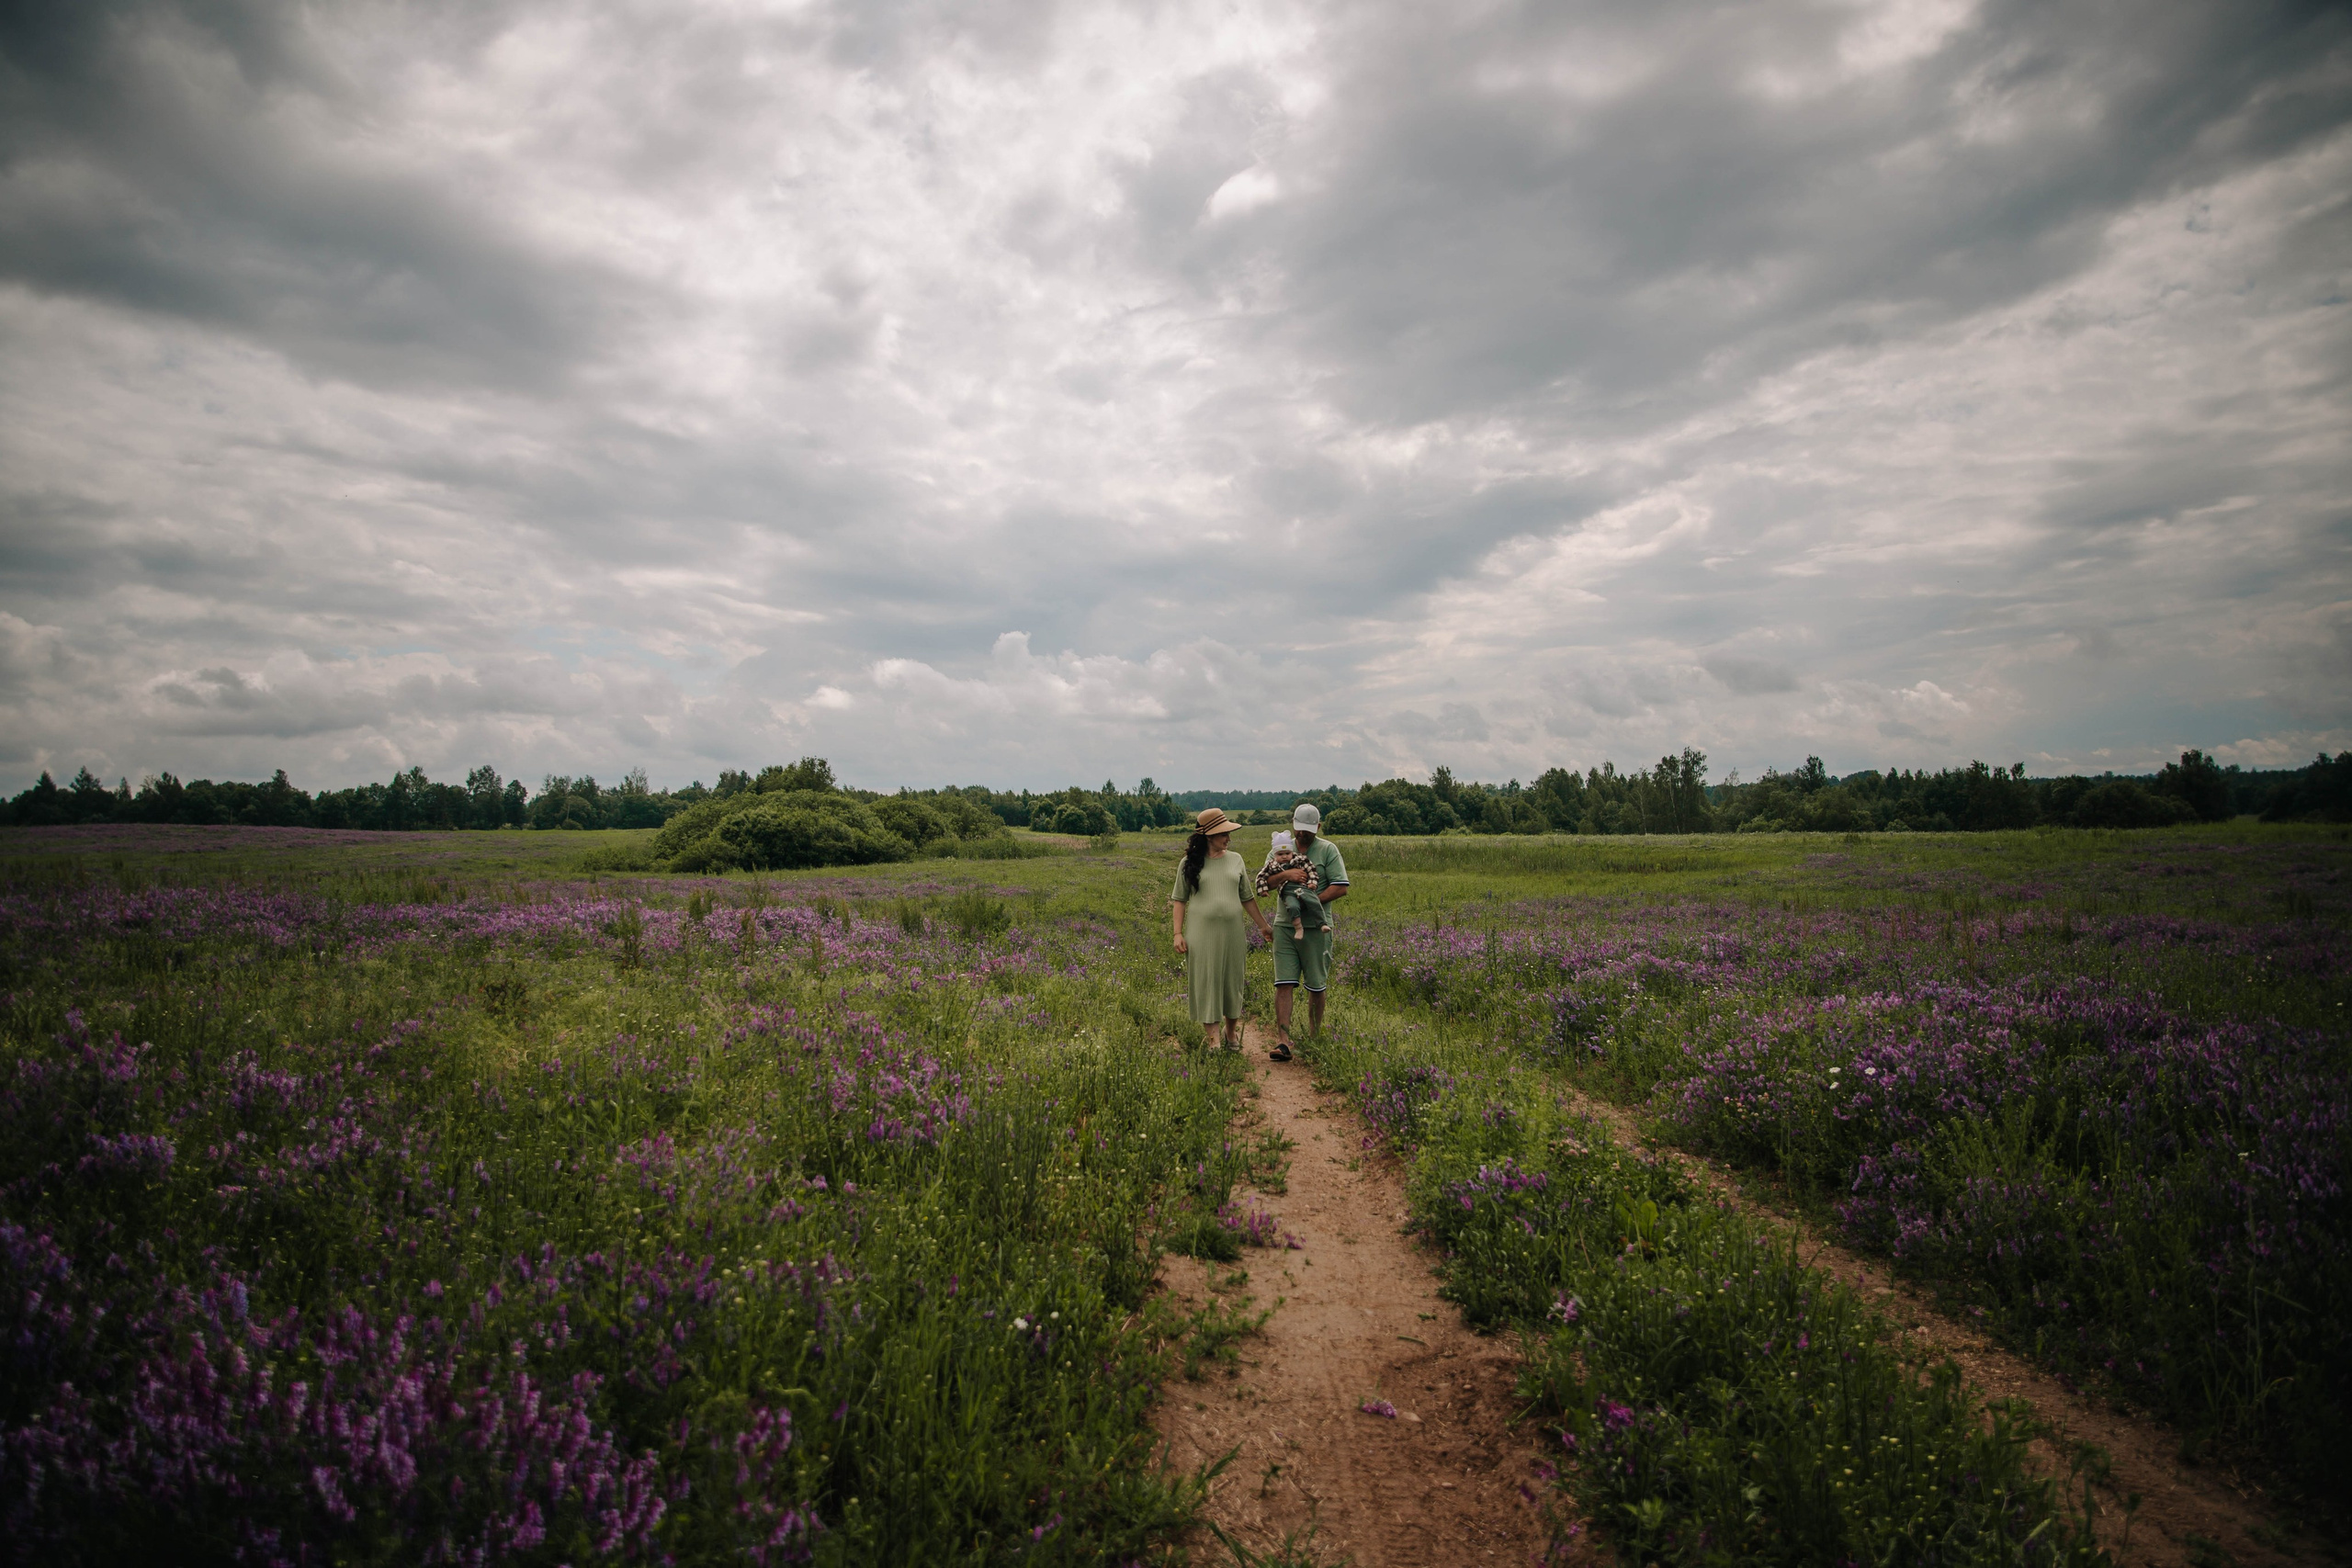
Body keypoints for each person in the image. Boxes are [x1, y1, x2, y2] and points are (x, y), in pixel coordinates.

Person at [1170, 807, 1274, 1051]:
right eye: (1223, 834)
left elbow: (1247, 897)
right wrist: (1177, 933)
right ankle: (1213, 1040)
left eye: (1228, 833)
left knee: (1231, 981)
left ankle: (1230, 1034)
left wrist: (1263, 927)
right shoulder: (1189, 863)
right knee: (1207, 981)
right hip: (1201, 934)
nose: (1228, 838)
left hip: (1232, 934)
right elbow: (1179, 900)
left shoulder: (1236, 859)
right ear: (1208, 836)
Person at [1260, 803, 1347, 1061]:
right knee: (1284, 983)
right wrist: (1288, 874)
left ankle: (1314, 1037)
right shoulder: (1279, 849)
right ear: (1293, 824)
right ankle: (1283, 1042)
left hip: (1317, 929)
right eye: (1299, 830)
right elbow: (1266, 880)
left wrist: (1310, 900)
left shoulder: (1328, 850)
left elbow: (1341, 887)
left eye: (1308, 831)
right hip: (1285, 926)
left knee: (1316, 986)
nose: (1302, 835)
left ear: (1318, 828)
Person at [1257, 830, 1328, 941]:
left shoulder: (1300, 859)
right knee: (1292, 907)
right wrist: (1263, 890)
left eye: (1287, 853)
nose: (1284, 857)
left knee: (1312, 900)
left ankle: (1322, 924)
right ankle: (1299, 928)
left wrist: (1312, 883)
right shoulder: (1272, 865)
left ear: (1291, 852)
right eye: (1280, 854)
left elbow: (1312, 870)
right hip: (1287, 892)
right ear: (1275, 854)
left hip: (1301, 888)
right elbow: (1261, 876)